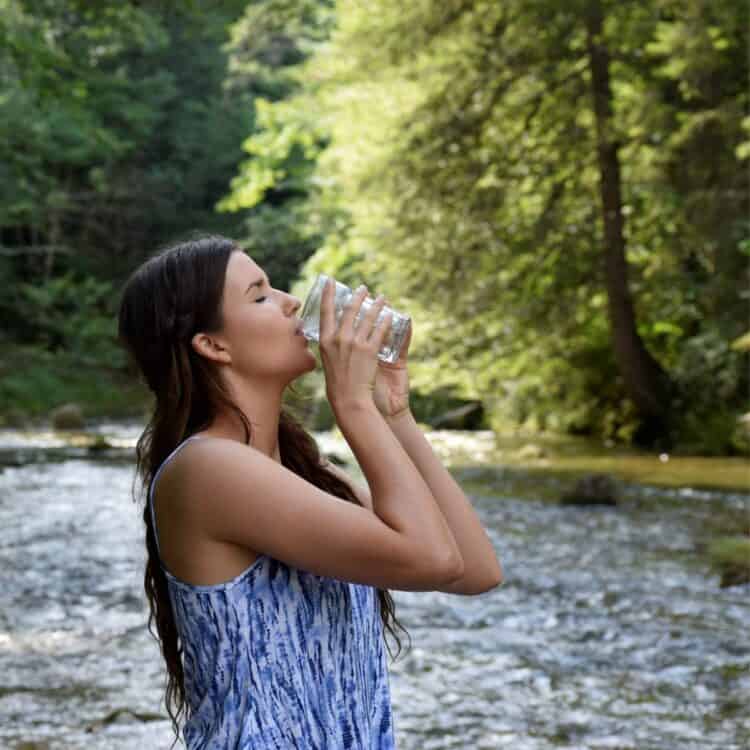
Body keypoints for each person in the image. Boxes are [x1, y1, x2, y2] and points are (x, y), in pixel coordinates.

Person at [117, 235, 503, 749]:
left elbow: (473, 568)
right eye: (259, 296)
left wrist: (394, 413)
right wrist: (352, 405)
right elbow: (430, 558)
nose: (291, 302)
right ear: (214, 345)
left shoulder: (303, 471)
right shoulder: (209, 469)